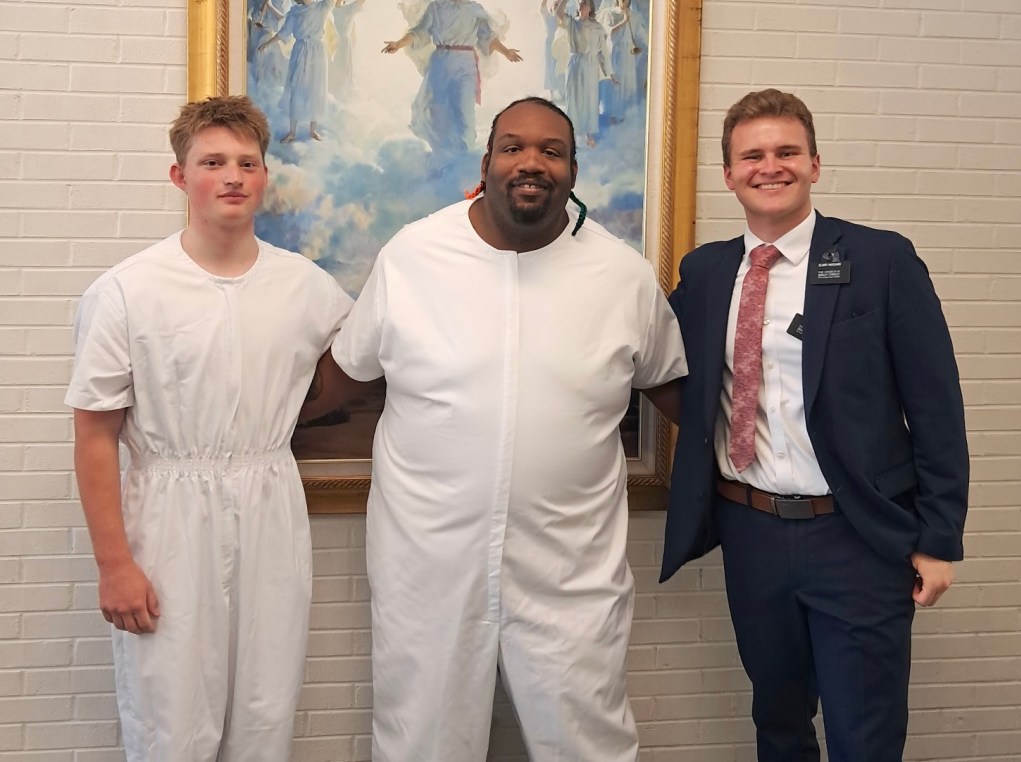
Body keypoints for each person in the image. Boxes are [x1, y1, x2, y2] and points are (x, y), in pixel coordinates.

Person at [330, 96, 687, 761]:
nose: (532, 162)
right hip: (428, 562)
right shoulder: (413, 255)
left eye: (552, 151)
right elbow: (345, 372)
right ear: (485, 163)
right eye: (513, 147)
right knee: (420, 743)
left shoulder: (623, 277)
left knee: (589, 743)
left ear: (574, 171)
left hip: (570, 567)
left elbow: (676, 391)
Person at [661, 88, 969, 761]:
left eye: (787, 152)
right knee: (778, 725)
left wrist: (939, 538)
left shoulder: (882, 261)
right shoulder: (707, 273)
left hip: (856, 537)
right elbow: (646, 349)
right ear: (728, 174)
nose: (770, 166)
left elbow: (938, 409)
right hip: (751, 531)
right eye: (753, 156)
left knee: (864, 737)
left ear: (815, 165)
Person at [66, 95, 361, 762]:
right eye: (213, 162)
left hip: (270, 505)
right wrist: (115, 565)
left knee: (264, 711)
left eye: (247, 163)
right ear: (181, 176)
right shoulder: (128, 291)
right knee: (170, 719)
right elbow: (94, 436)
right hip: (166, 521)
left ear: (264, 176)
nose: (232, 176)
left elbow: (366, 358)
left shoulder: (305, 286)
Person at [382, 0, 522, 156]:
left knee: (465, 112)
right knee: (438, 110)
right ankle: (443, 155)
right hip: (441, 63)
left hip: (465, 64)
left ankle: (465, 155)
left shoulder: (474, 9)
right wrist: (398, 44)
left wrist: (506, 51)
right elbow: (419, 31)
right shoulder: (436, 7)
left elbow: (487, 37)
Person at [259, 0, 344, 142]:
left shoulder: (322, 6)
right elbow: (283, 33)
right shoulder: (295, 12)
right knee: (296, 88)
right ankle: (292, 132)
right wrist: (267, 44)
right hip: (300, 51)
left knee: (316, 89)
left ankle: (313, 130)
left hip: (317, 53)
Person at [555, 0, 614, 148]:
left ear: (590, 7)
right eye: (580, 2)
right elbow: (558, 13)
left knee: (589, 98)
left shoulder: (597, 27)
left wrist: (610, 73)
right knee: (574, 98)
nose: (582, 4)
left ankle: (589, 133)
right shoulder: (572, 23)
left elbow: (603, 52)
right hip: (575, 63)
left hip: (590, 66)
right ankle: (572, 133)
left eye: (585, 2)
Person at [598, 0, 641, 124]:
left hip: (628, 55)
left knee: (627, 82)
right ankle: (612, 114)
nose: (624, 1)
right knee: (616, 83)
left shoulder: (633, 15)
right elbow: (608, 32)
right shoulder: (610, 13)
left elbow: (639, 34)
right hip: (616, 53)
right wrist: (624, 21)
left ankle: (624, 113)